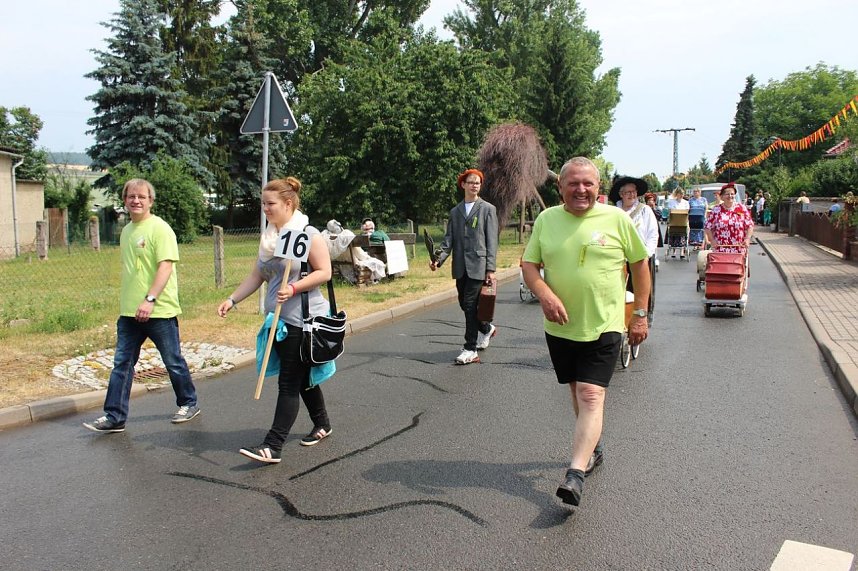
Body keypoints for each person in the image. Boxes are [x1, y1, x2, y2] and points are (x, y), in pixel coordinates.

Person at [521, 157, 650, 507]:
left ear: (598, 187)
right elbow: (529, 265)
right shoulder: (547, 220)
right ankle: (593, 445)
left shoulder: (617, 219)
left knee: (591, 394)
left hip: (604, 323)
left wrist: (639, 314)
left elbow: (640, 265)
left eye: (588, 183)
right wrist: (545, 295)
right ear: (560, 187)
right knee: (576, 389)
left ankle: (575, 473)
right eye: (573, 183)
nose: (581, 189)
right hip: (560, 326)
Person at [217, 177, 333, 464]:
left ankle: (273, 445)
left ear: (288, 203)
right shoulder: (270, 238)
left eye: (270, 204)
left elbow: (325, 272)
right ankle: (323, 423)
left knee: (289, 382)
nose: (265, 209)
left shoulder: (307, 234)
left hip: (303, 321)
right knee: (303, 378)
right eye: (263, 204)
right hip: (279, 321)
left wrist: (293, 288)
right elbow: (257, 275)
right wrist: (232, 299)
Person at [83, 179, 200, 433]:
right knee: (122, 364)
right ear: (124, 200)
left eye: (141, 197)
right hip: (129, 312)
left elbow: (165, 266)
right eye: (131, 196)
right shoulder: (127, 231)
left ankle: (188, 403)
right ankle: (115, 416)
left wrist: (150, 299)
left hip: (159, 310)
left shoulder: (160, 229)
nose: (136, 201)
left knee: (172, 361)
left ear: (150, 201)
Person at [430, 168, 499, 365]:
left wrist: (490, 269)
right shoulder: (455, 211)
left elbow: (492, 241)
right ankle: (486, 329)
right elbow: (448, 241)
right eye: (471, 182)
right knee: (464, 304)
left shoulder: (487, 209)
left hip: (479, 265)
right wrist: (438, 260)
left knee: (470, 304)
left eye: (477, 182)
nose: (474, 185)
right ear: (463, 185)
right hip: (460, 266)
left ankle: (470, 348)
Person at [704, 182, 754, 253]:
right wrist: (712, 240)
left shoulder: (741, 208)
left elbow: (750, 225)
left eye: (732, 194)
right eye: (727, 194)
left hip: (739, 248)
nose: (730, 196)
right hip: (720, 248)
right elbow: (707, 226)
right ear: (722, 197)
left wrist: (747, 239)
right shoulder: (716, 209)